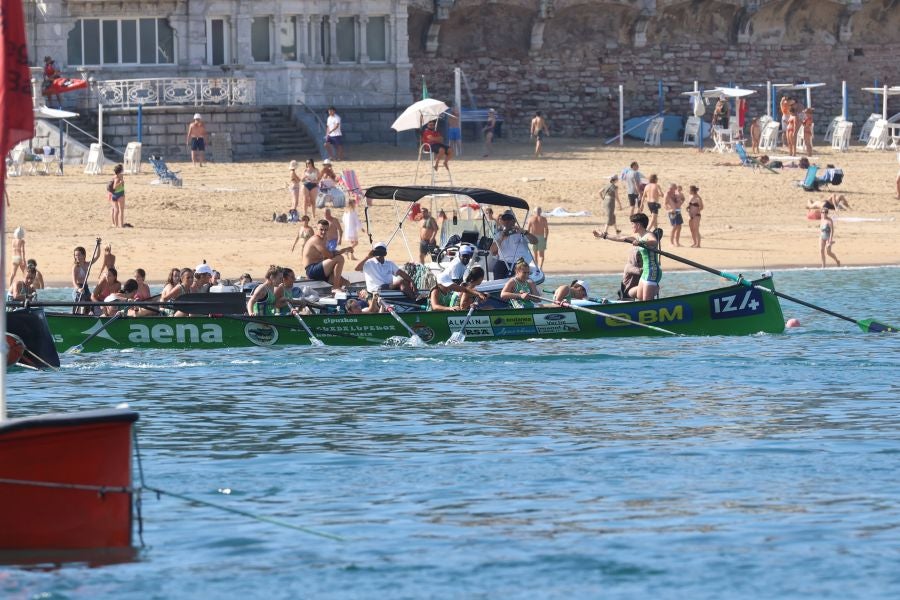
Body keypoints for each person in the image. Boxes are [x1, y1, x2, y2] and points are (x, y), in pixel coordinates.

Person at [594, 213, 661, 301]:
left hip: (653, 271)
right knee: (640, 297)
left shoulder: (649, 235)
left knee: (646, 300)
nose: (631, 226)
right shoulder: (638, 237)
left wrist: (642, 243)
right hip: (645, 272)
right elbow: (620, 238)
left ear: (638, 225)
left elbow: (654, 241)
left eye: (632, 224)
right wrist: (604, 235)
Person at [302, 219, 353, 292]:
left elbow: (326, 257)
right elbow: (330, 255)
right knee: (340, 258)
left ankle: (339, 293)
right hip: (312, 270)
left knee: (346, 283)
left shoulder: (324, 239)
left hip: (321, 270)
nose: (323, 232)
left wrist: (332, 269)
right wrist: (344, 250)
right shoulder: (316, 239)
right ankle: (335, 287)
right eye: (321, 229)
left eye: (326, 230)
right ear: (317, 228)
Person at [490, 211, 538, 279]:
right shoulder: (499, 235)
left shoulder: (521, 233)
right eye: (505, 219)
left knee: (518, 271)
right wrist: (501, 239)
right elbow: (492, 251)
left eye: (509, 218)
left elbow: (535, 241)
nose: (507, 221)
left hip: (519, 261)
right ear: (502, 221)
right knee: (497, 268)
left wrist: (525, 232)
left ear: (514, 220)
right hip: (503, 261)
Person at [819, 203, 841, 268]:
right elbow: (821, 228)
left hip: (828, 237)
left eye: (826, 212)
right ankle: (823, 266)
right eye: (823, 212)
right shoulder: (821, 218)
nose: (824, 213)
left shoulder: (829, 220)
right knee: (821, 250)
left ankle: (837, 261)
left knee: (828, 252)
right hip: (822, 236)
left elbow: (832, 231)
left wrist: (830, 240)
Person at [108, 164, 126, 228]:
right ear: (120, 171)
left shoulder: (115, 176)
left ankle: (116, 225)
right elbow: (114, 186)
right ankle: (121, 225)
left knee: (116, 210)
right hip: (120, 194)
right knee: (120, 210)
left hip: (114, 195)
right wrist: (121, 182)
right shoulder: (117, 177)